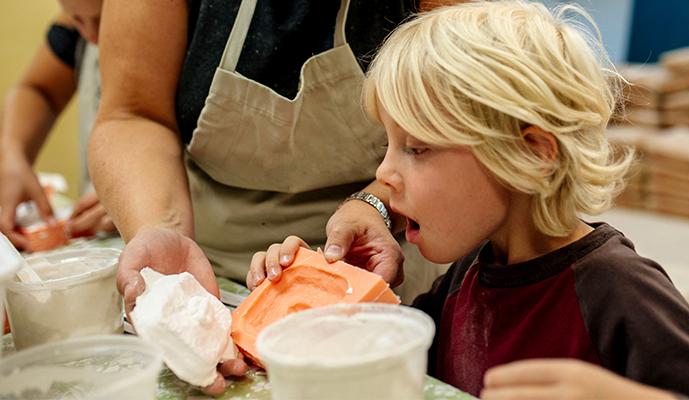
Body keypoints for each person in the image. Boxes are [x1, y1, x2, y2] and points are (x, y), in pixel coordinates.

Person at [249, 1, 689, 399]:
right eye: (388, 146)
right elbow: (397, 359)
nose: (383, 174)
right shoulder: (470, 273)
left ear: (530, 153)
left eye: (417, 148)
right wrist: (326, 298)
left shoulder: (617, 289)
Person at [94, 0, 459, 394]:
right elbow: (132, 113)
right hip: (206, 273)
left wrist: (372, 202)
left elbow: (466, 134)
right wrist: (162, 238)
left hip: (381, 263)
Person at [0, 0, 115, 250]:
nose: (91, 37)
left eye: (101, 19)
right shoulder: (83, 18)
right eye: (76, 19)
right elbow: (39, 90)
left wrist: (140, 193)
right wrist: (11, 152)